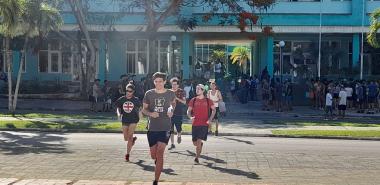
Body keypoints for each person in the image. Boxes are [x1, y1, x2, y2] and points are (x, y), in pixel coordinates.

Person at [142, 72, 176, 185]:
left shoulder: (170, 93)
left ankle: (156, 180)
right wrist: (151, 114)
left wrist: (171, 110)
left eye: (160, 81)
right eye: (156, 82)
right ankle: (156, 159)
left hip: (165, 127)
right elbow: (144, 110)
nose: (158, 83)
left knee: (160, 152)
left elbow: (173, 105)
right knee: (153, 155)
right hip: (152, 128)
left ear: (165, 82)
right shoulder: (149, 94)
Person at [187, 84, 216, 164]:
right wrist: (190, 117)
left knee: (199, 141)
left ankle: (197, 158)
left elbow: (214, 110)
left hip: (204, 124)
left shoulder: (208, 101)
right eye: (196, 88)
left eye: (199, 89)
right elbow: (188, 111)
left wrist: (210, 119)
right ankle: (200, 145)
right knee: (195, 143)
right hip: (195, 124)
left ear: (203, 90)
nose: (197, 90)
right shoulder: (193, 100)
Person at [115, 83, 142, 162]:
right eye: (127, 91)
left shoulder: (136, 100)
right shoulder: (122, 99)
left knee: (129, 136)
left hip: (133, 120)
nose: (128, 92)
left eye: (130, 91)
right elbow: (118, 108)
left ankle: (127, 154)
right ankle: (132, 140)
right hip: (125, 120)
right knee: (126, 138)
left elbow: (140, 108)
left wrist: (140, 114)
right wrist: (119, 114)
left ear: (133, 92)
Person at [168, 78, 186, 149]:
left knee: (178, 128)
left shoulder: (182, 91)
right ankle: (172, 144)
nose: (174, 86)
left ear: (178, 85)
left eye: (175, 84)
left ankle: (179, 136)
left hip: (179, 112)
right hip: (170, 113)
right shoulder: (168, 91)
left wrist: (177, 98)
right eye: (172, 84)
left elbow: (184, 102)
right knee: (171, 129)